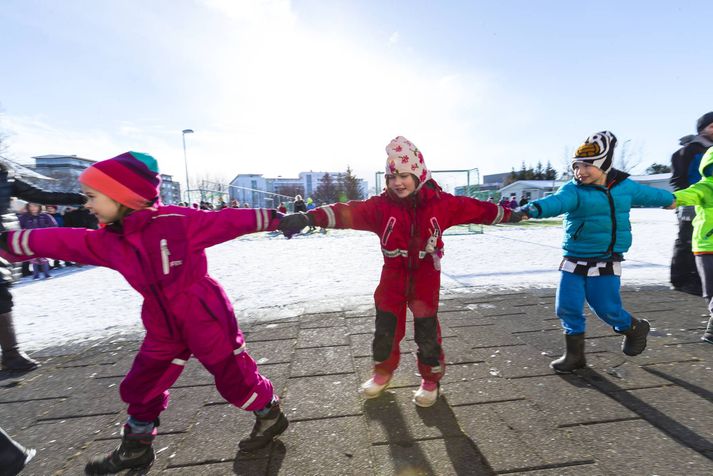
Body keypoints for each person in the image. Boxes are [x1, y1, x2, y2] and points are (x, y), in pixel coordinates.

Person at [0, 152, 289, 474]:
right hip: (162, 323)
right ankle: (136, 447)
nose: (87, 205)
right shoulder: (110, 241)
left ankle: (269, 414)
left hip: (204, 315)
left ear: (123, 197)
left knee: (234, 378)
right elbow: (63, 241)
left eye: (93, 196)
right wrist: (10, 241)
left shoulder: (176, 223)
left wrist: (278, 219)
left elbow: (226, 221)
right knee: (142, 383)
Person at [280, 136, 522, 407]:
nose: (397, 182)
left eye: (404, 175)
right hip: (392, 276)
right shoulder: (381, 207)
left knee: (426, 329)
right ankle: (382, 374)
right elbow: (346, 211)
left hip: (425, 276)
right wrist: (308, 217)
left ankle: (430, 379)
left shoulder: (442, 204)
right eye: (391, 177)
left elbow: (477, 209)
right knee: (385, 327)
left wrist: (508, 214)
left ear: (419, 174)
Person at [520, 131, 675, 373]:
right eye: (576, 166)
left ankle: (633, 328)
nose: (579, 172)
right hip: (574, 257)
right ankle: (575, 356)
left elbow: (652, 195)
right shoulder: (573, 190)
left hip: (606, 258)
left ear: (603, 164)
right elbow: (556, 203)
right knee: (566, 306)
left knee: (606, 307)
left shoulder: (625, 187)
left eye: (586, 166)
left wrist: (670, 199)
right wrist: (530, 209)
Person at [0, 160, 85, 371]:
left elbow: (42, 196)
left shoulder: (4, 176)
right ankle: (11, 354)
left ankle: (11, 354)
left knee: (1, 295)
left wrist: (83, 198)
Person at [670, 146, 713, 344]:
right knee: (710, 290)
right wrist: (670, 199)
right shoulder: (706, 186)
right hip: (706, 247)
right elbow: (688, 195)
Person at [669, 112, 713, 296]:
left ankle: (698, 278)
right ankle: (680, 279)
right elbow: (679, 178)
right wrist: (683, 201)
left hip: (705, 202)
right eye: (711, 127)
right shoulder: (689, 150)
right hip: (691, 200)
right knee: (686, 239)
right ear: (702, 129)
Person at [19, 204, 57, 279]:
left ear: (39, 207)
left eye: (35, 206)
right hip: (30, 240)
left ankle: (46, 274)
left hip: (42, 239)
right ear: (28, 207)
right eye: (31, 206)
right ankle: (36, 275)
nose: (33, 208)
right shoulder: (24, 217)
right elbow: (19, 227)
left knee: (43, 258)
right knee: (34, 258)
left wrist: (49, 234)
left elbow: (53, 225)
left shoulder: (45, 216)